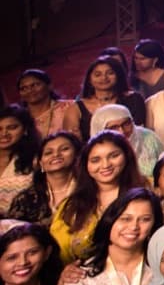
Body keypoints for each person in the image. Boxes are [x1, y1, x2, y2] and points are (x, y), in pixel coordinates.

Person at [50, 131, 143, 263]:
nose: (105, 165)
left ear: (126, 156)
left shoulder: (144, 195)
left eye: (114, 156)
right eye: (95, 160)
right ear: (86, 165)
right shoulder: (71, 206)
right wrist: (66, 270)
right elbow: (58, 252)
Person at [6, 131, 81, 225]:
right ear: (41, 163)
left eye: (64, 149)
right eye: (48, 153)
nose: (56, 155)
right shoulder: (26, 199)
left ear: (77, 156)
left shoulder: (90, 192)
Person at [18, 69, 82, 139]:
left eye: (35, 85)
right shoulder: (19, 118)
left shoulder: (70, 107)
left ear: (49, 86)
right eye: (23, 88)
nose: (29, 90)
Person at [0, 105, 37, 218]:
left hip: (21, 224)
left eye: (12, 127)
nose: (4, 134)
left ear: (25, 129)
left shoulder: (35, 161)